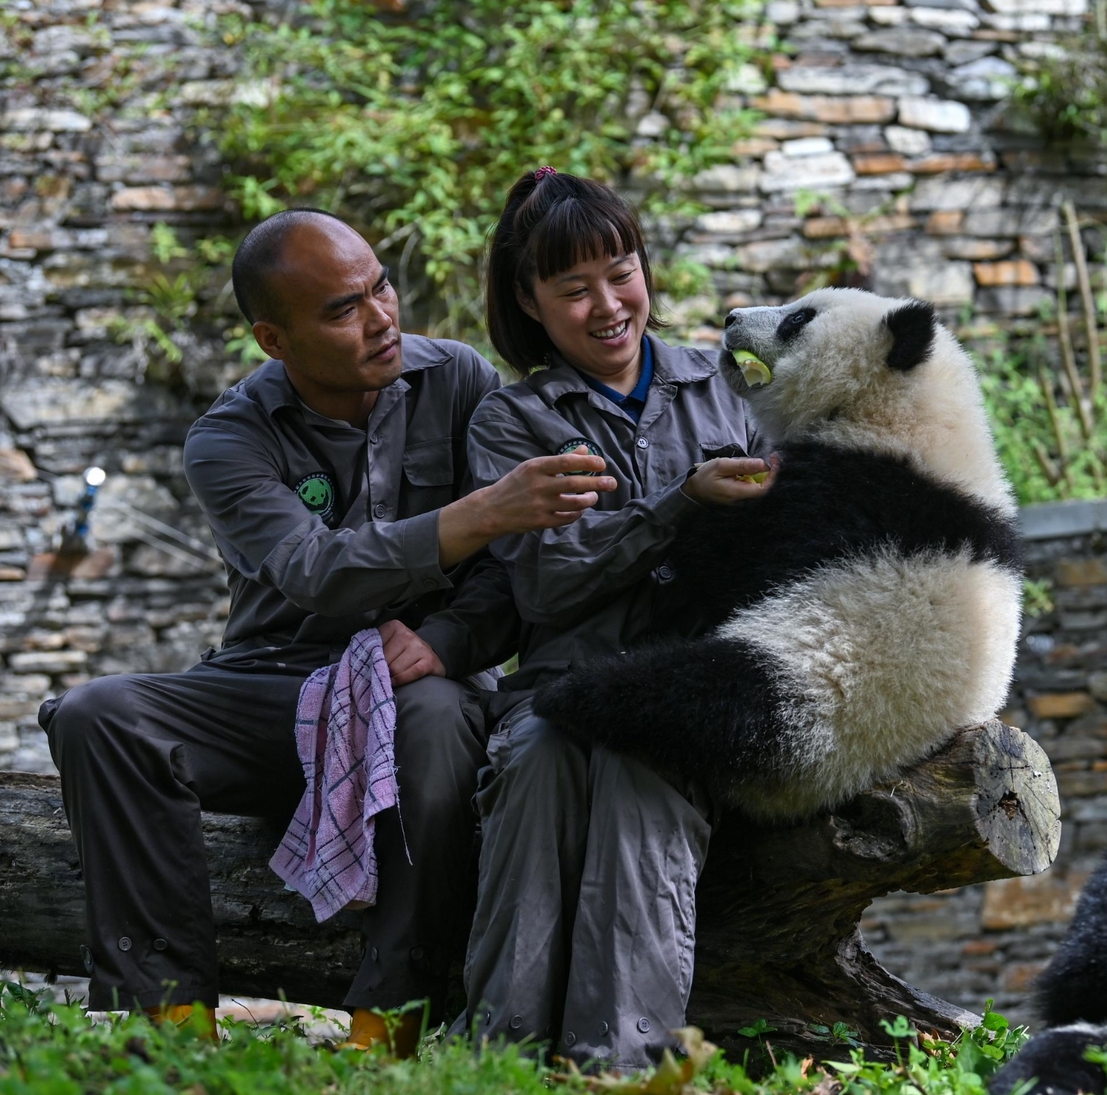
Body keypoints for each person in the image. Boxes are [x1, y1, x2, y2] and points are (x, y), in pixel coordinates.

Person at [38, 209, 608, 1054]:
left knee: (433, 715)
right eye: (343, 309)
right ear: (274, 339)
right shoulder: (226, 440)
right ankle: (165, 1027)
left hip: (427, 690)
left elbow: (513, 574)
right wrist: (477, 513)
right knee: (97, 714)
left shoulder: (458, 380)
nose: (382, 317)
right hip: (276, 688)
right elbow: (315, 572)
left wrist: (448, 642)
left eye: (381, 286)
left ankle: (391, 1027)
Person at [455, 169, 774, 1064]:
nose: (608, 305)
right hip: (558, 690)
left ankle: (621, 1070)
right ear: (529, 301)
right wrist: (681, 504)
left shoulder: (729, 389)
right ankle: (500, 1062)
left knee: (642, 770)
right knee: (540, 763)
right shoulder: (512, 423)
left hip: (692, 686)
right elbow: (547, 591)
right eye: (573, 289)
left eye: (621, 271)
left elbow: (785, 551)